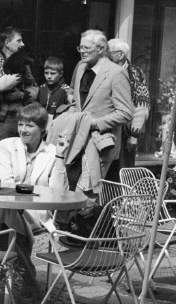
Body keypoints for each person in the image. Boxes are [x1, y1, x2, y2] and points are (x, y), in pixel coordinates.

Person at [0, 102, 69, 295]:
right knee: (8, 211)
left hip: (35, 211)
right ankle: (27, 274)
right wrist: (35, 189)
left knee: (6, 215)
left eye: (29, 126)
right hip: (6, 205)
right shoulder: (7, 145)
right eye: (21, 124)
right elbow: (5, 183)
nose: (23, 130)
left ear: (43, 129)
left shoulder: (52, 152)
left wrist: (61, 157)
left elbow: (57, 191)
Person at [48, 30, 133, 194]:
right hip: (75, 138)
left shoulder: (116, 73)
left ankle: (86, 219)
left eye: (87, 48)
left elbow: (126, 113)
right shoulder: (80, 68)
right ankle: (62, 220)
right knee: (64, 186)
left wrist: (95, 123)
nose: (82, 52)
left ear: (101, 49)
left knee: (87, 193)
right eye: (80, 48)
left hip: (99, 142)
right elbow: (76, 99)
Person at [0, 26, 38, 152]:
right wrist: (20, 75)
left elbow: (34, 87)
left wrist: (21, 95)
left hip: (20, 117)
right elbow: (1, 84)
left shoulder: (23, 63)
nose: (22, 44)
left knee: (18, 157)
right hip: (0, 120)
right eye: (19, 41)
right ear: (7, 43)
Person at [107, 39, 151, 179]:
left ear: (120, 55)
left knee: (122, 173)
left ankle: (121, 200)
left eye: (109, 52)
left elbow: (142, 104)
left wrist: (134, 134)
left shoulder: (134, 73)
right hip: (106, 129)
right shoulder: (104, 70)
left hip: (125, 132)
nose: (105, 55)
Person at [37, 56, 70, 124]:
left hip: (58, 123)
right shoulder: (42, 88)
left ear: (61, 74)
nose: (49, 76)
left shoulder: (66, 89)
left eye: (53, 73)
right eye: (46, 73)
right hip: (42, 122)